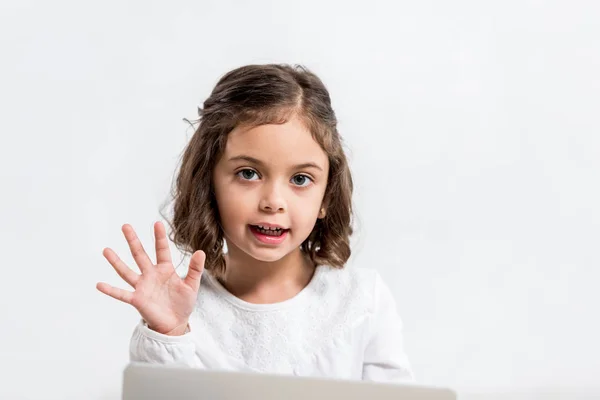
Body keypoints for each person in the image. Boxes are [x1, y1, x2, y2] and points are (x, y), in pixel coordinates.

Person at [96, 64, 414, 382]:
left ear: (326, 196)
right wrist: (169, 334)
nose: (273, 201)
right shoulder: (182, 309)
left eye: (301, 179)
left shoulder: (362, 302)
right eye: (248, 173)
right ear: (209, 184)